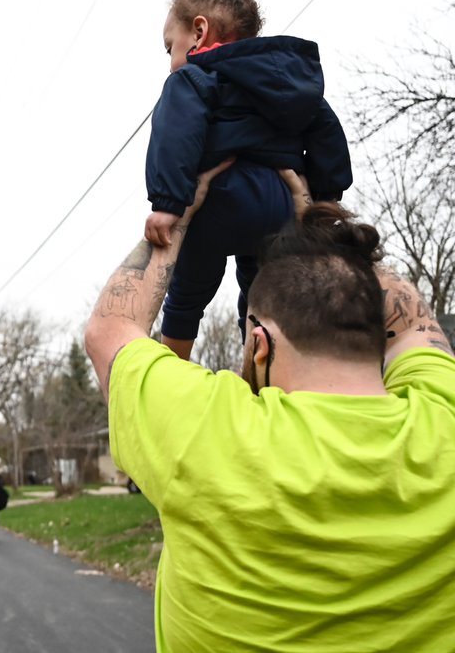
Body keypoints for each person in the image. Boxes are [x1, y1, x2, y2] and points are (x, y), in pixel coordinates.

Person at [85, 164, 455, 652]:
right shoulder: (443, 419)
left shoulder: (208, 432)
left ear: (260, 344)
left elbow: (109, 331)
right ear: (372, 336)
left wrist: (179, 214)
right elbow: (412, 323)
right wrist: (323, 227)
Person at [143, 0, 352, 361]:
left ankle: (173, 365)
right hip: (281, 205)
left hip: (217, 199)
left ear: (199, 32)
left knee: (188, 293)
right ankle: (259, 371)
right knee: (263, 296)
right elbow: (326, 130)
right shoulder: (292, 84)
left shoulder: (194, 78)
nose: (171, 61)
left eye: (170, 47)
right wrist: (325, 197)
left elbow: (177, 132)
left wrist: (168, 203)